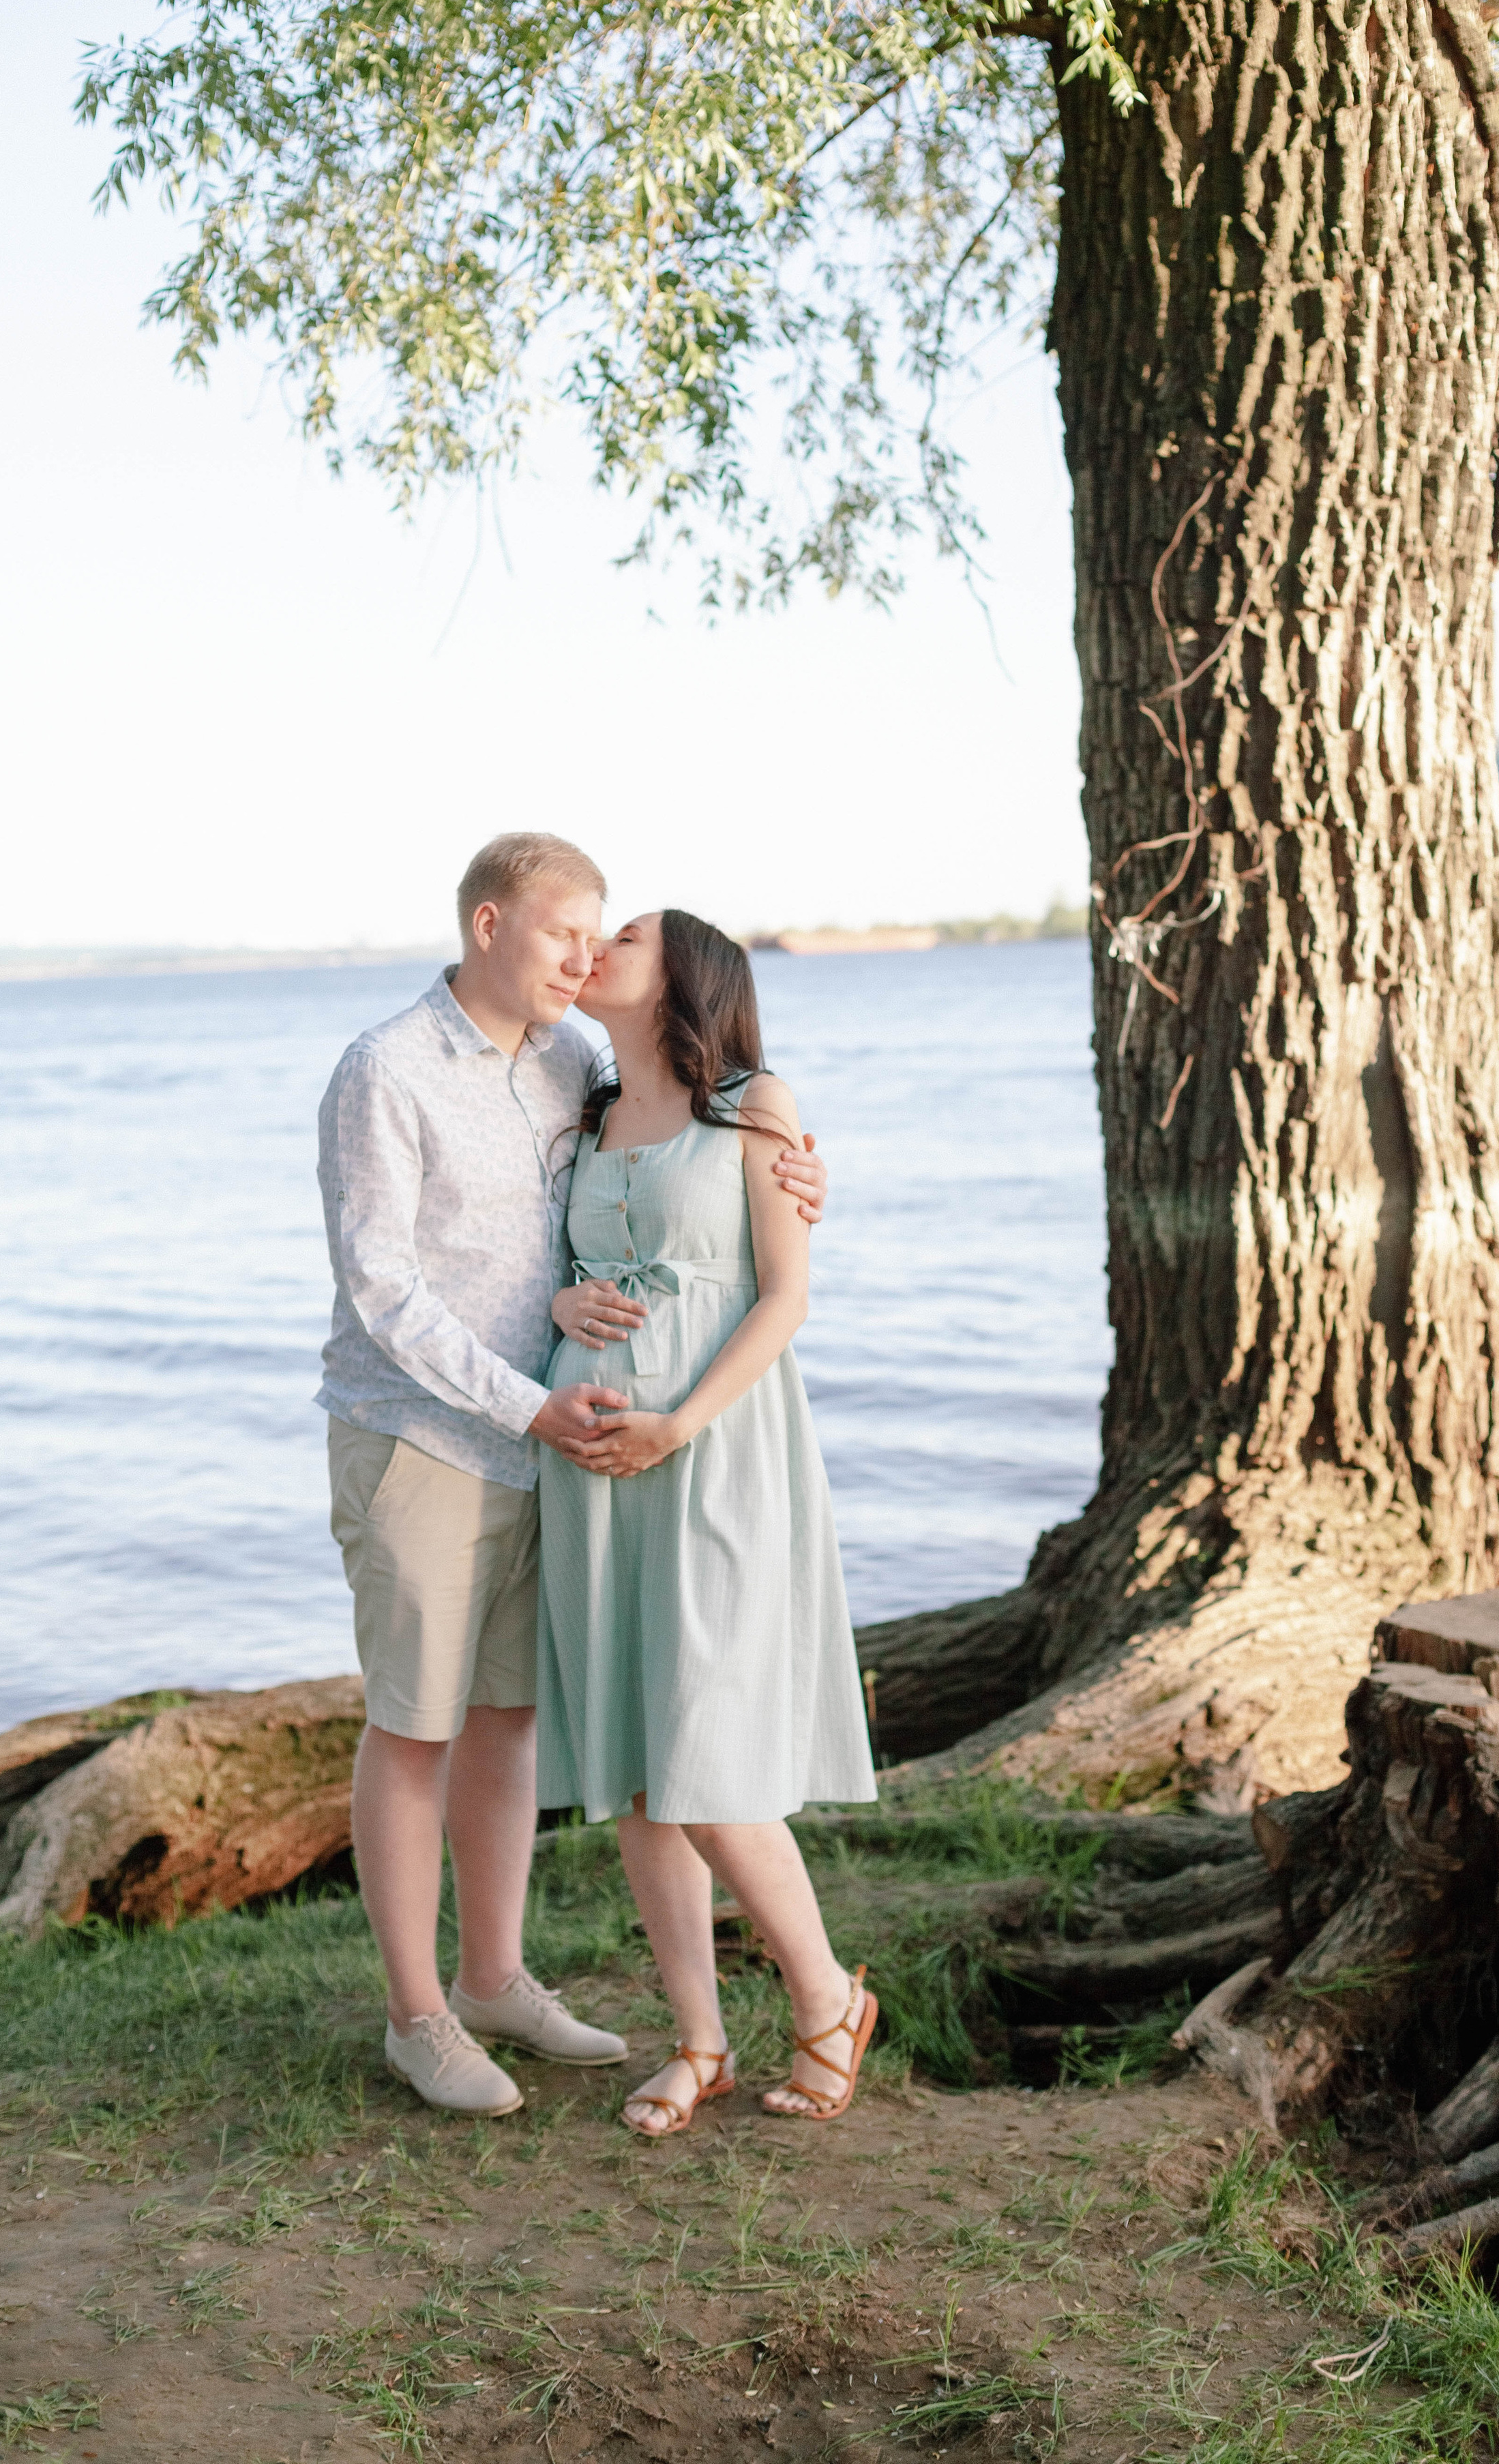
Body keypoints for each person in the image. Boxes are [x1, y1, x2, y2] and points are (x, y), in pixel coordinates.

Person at [316, 835, 828, 2116]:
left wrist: (804, 1166)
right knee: (414, 1722)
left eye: (604, 937)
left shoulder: (577, 1066)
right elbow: (383, 1288)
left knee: (506, 1720)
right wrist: (532, 1401)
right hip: (430, 1434)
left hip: (567, 1449)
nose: (585, 958)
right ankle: (417, 2016)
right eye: (564, 936)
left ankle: (495, 1981)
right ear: (490, 925)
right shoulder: (385, 1069)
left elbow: (684, 1173)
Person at [537, 909, 879, 2137]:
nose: (593, 948)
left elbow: (786, 1297)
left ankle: (831, 1998)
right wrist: (564, 1295)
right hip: (591, 1468)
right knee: (639, 1766)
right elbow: (537, 1262)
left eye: (621, 931)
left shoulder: (754, 1104)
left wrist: (678, 1424)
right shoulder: (580, 1109)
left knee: (710, 1749)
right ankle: (699, 2043)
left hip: (715, 1451)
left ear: (686, 970)